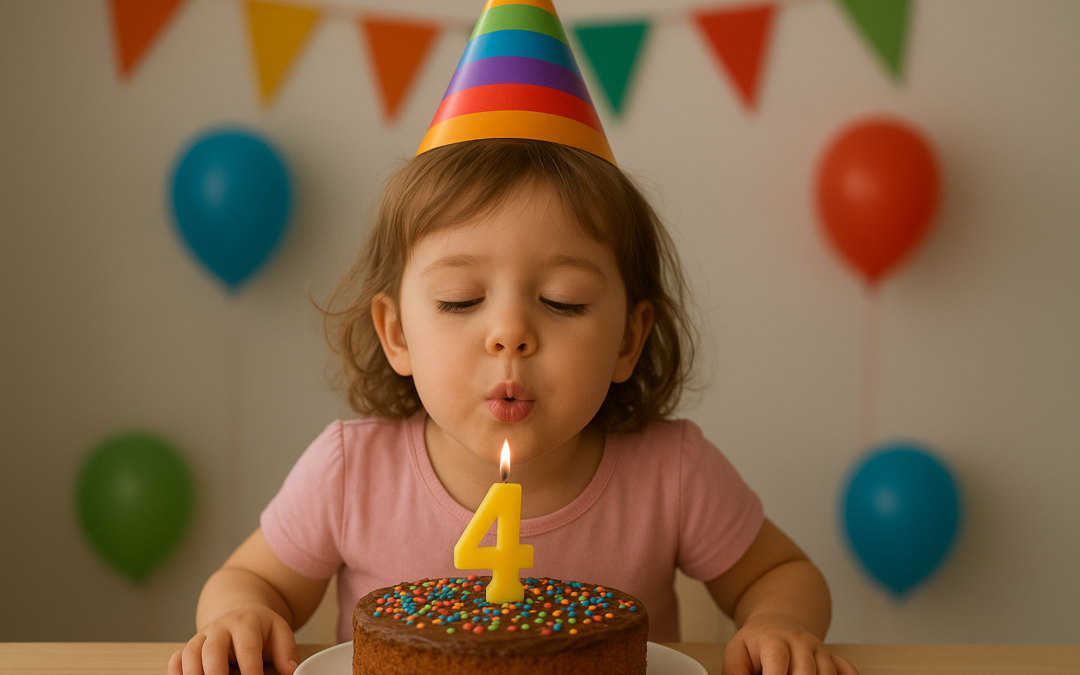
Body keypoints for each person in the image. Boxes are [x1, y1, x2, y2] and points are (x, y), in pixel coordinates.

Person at [170, 3, 858, 675]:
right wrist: (240, 616)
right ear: (396, 332)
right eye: (460, 299)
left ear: (629, 338)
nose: (510, 335)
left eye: (564, 301)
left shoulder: (672, 473)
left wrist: (778, 622)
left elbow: (783, 573)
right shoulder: (351, 471)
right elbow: (244, 582)